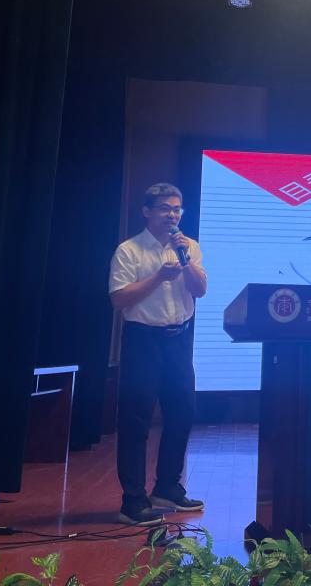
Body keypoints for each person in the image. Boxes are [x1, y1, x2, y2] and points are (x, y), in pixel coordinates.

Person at [108, 182, 208, 524]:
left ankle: (167, 487)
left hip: (179, 340)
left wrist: (185, 261)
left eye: (177, 209)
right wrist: (158, 277)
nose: (172, 215)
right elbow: (119, 299)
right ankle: (133, 501)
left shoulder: (189, 246)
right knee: (136, 420)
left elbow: (200, 290)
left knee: (182, 413)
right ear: (147, 211)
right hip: (143, 341)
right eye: (165, 208)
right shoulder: (129, 250)